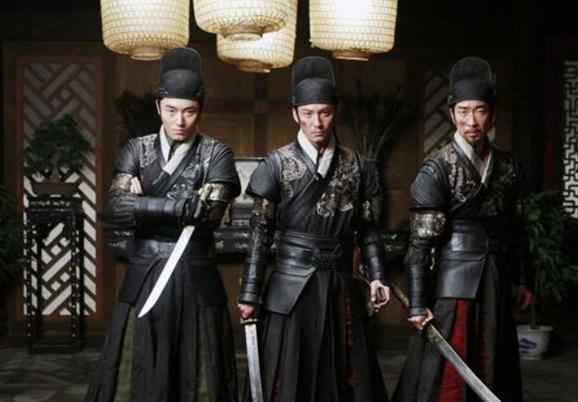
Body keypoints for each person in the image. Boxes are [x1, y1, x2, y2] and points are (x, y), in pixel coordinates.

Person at [85, 47, 241, 402]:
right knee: (137, 366)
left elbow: (209, 214)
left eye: (189, 111)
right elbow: (114, 208)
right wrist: (180, 206)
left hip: (196, 273)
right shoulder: (137, 150)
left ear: (200, 109)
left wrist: (143, 204)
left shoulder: (217, 153)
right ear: (158, 107)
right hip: (145, 272)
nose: (180, 120)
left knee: (199, 371)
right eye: (171, 110)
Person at [236, 56, 391, 402]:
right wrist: (249, 293)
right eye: (307, 113)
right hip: (291, 283)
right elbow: (260, 234)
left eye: (324, 113)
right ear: (295, 113)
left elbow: (368, 229)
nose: (316, 122)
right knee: (288, 373)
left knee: (347, 372)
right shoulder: (276, 164)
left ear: (336, 112)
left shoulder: (358, 166)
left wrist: (378, 276)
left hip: (340, 283)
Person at [392, 56, 532, 402]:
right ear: (452, 114)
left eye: (480, 110)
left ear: (492, 114)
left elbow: (517, 229)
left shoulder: (508, 166)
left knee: (495, 359)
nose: (472, 120)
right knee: (448, 370)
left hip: (497, 275)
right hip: (452, 280)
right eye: (464, 111)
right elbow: (419, 244)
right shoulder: (437, 169)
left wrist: (523, 280)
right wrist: (417, 302)